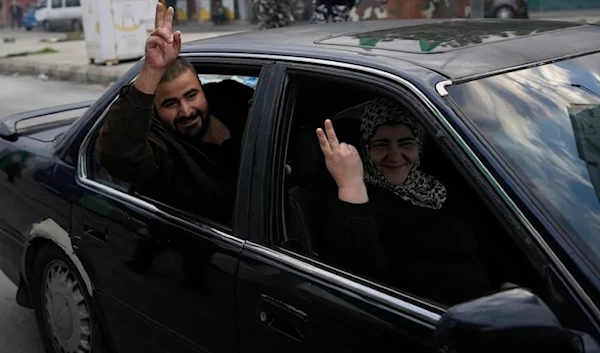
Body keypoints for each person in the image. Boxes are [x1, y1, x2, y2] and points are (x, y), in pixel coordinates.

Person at [316, 98, 518, 306]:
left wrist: (507, 284)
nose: (395, 156)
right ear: (366, 148)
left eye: (406, 143)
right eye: (381, 145)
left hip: (490, 308)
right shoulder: (352, 197)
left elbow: (487, 243)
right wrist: (351, 185)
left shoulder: (440, 187)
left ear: (419, 144)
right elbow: (360, 280)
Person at [96, 3, 254, 224]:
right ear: (156, 111)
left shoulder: (236, 103)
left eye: (191, 95)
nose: (186, 111)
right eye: (170, 103)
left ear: (204, 91)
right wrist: (152, 70)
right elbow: (117, 152)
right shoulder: (162, 149)